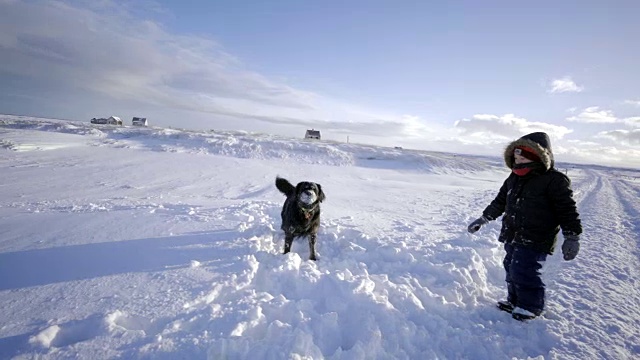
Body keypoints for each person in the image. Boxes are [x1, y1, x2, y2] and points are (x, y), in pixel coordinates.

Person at [467, 132, 582, 321]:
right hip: (513, 233)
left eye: (522, 158)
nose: (518, 162)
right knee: (511, 266)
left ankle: (531, 306)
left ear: (536, 157)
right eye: (515, 158)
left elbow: (567, 210)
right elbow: (500, 201)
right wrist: (484, 218)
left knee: (524, 270)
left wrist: (572, 236)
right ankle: (514, 301)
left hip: (537, 236)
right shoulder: (513, 177)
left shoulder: (554, 180)